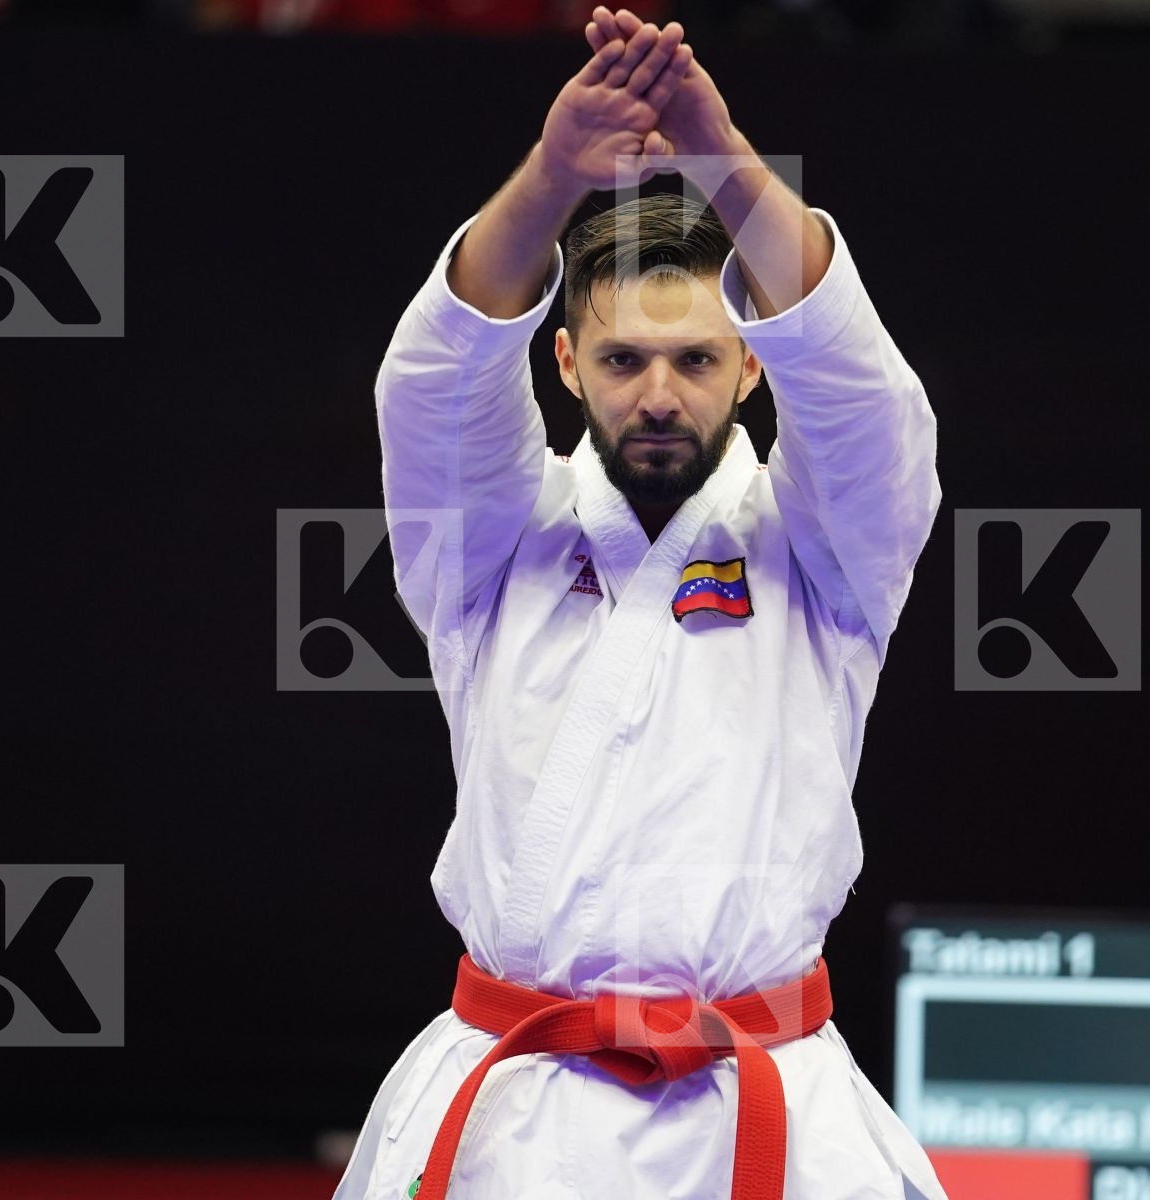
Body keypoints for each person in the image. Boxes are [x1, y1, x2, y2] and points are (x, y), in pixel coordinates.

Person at [332, 6, 945, 1197]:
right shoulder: (487, 547)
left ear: (753, 361)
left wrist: (721, 157)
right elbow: (433, 386)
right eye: (622, 360)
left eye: (696, 358)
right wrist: (554, 173)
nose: (658, 394)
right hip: (522, 1114)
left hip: (763, 1105)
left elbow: (869, 409)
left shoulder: (828, 553)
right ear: (566, 362)